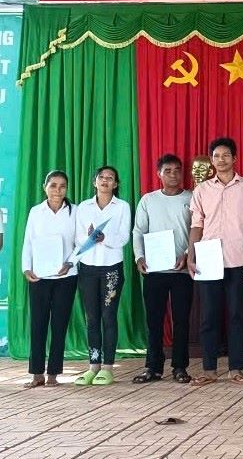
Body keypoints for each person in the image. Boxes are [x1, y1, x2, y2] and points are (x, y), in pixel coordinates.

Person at [187, 137, 243, 386]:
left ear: (235, 158)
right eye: (216, 156)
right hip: (208, 260)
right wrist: (191, 255)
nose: (221, 160)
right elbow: (197, 225)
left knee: (236, 316)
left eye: (226, 155)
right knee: (208, 317)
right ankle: (209, 370)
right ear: (211, 160)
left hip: (238, 258)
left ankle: (236, 368)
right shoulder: (202, 190)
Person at [131, 154, 194, 384]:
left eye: (177, 170)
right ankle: (153, 367)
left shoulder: (192, 197)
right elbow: (138, 231)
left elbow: (199, 230)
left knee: (181, 320)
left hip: (182, 271)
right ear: (159, 174)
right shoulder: (148, 200)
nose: (174, 175)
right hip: (154, 271)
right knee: (154, 321)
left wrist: (187, 255)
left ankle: (180, 367)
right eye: (168, 171)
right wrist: (139, 257)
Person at [73, 165, 132, 386]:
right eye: (101, 177)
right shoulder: (83, 208)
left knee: (108, 317)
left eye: (110, 178)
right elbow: (78, 237)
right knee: (91, 319)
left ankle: (108, 368)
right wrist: (89, 239)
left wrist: (102, 237)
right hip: (87, 268)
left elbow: (123, 238)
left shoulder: (122, 207)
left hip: (111, 268)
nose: (105, 181)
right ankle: (93, 366)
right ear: (94, 182)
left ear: (116, 184)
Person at [21, 170, 78, 388]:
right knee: (38, 324)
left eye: (62, 186)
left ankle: (54, 373)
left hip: (67, 276)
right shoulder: (36, 212)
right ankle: (36, 374)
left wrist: (70, 263)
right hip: (40, 277)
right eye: (53, 185)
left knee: (60, 324)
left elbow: (81, 243)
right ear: (45, 187)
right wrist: (27, 269)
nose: (58, 190)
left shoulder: (75, 212)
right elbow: (28, 242)